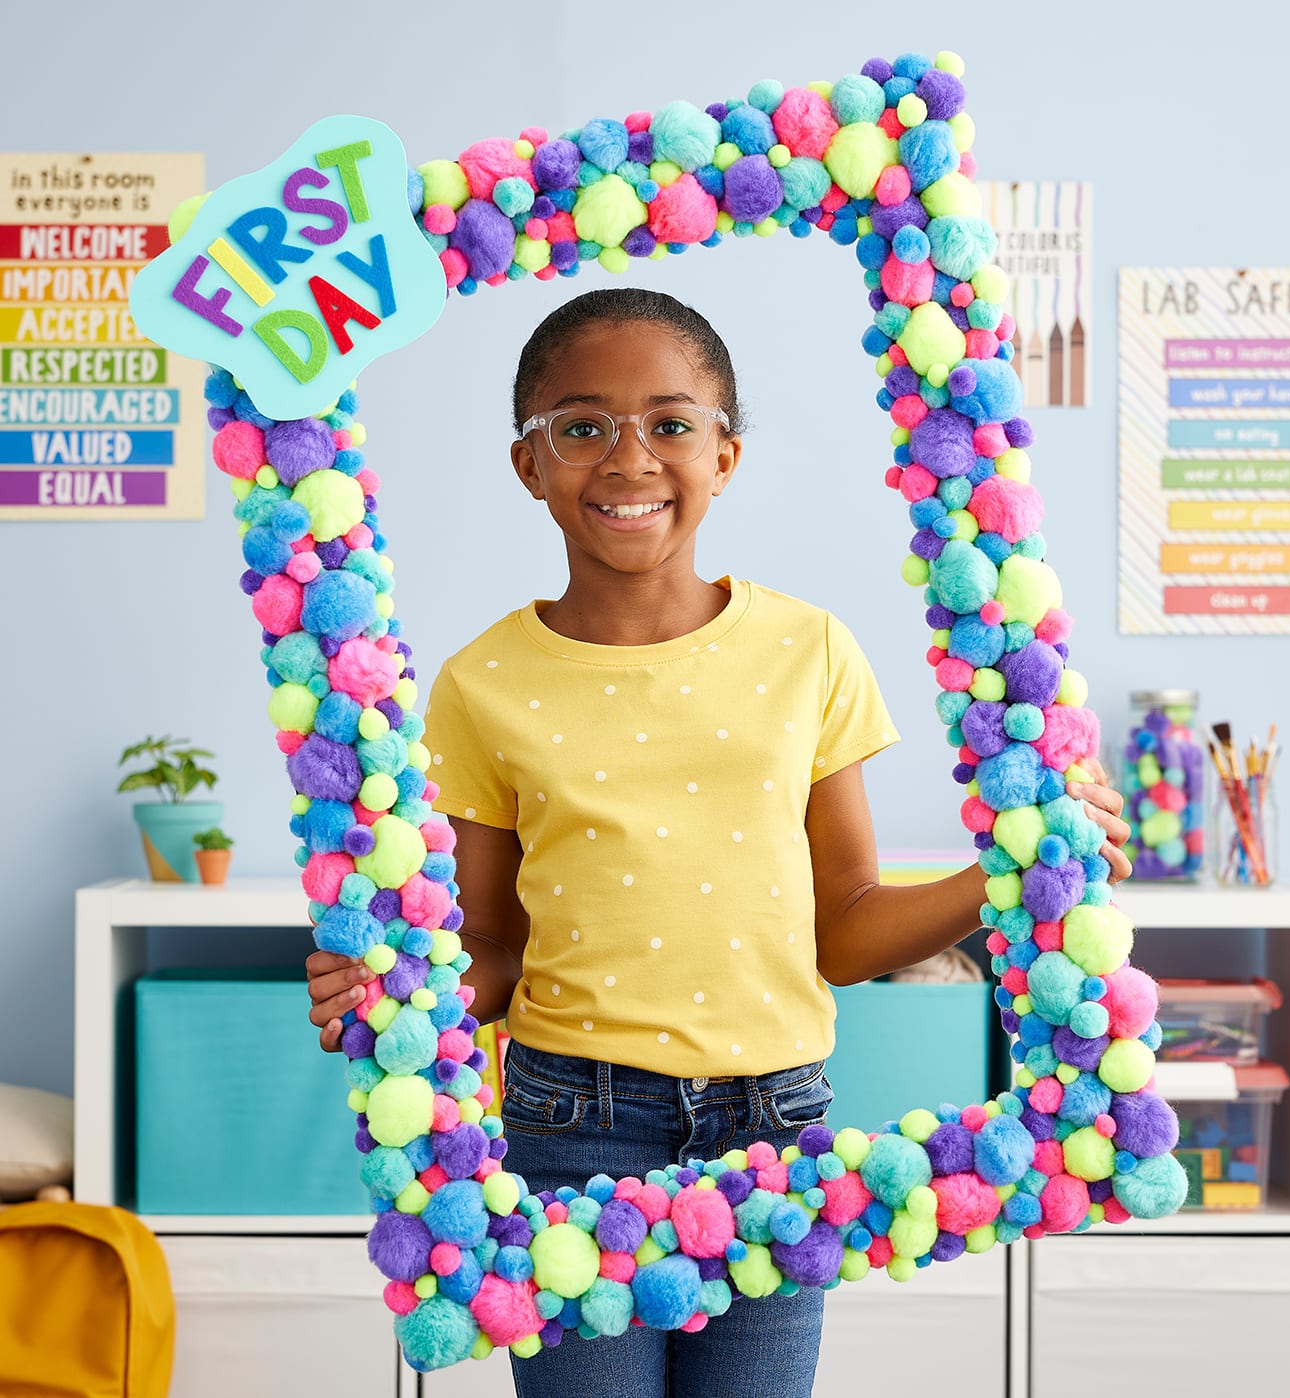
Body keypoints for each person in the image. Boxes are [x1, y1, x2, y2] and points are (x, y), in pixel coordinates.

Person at [306, 287, 1131, 1396]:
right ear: (530, 464)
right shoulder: (478, 685)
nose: (629, 458)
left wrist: (1011, 877)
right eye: (582, 426)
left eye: (671, 422)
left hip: (775, 1125)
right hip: (571, 1125)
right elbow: (492, 954)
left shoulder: (809, 651)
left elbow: (844, 932)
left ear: (725, 455)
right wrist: (395, 993)